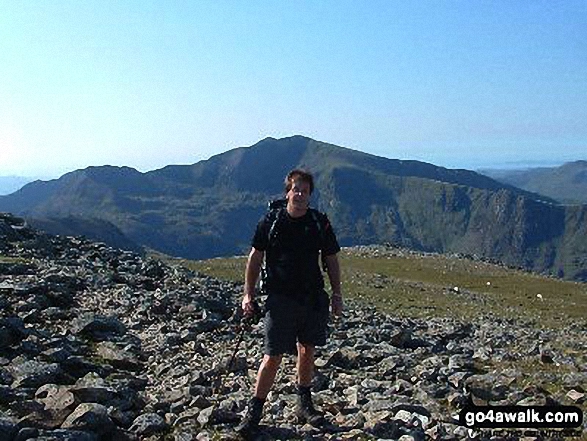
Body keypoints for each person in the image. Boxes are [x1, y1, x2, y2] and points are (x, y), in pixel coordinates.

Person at [237, 169, 343, 437]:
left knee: (307, 350)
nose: (299, 194)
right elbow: (255, 258)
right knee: (272, 355)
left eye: (304, 191)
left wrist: (337, 294)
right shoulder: (271, 221)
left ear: (310, 195)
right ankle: (255, 411)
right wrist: (248, 294)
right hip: (280, 299)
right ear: (287, 192)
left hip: (311, 297)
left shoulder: (320, 223)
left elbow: (331, 259)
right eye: (296, 189)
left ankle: (304, 404)